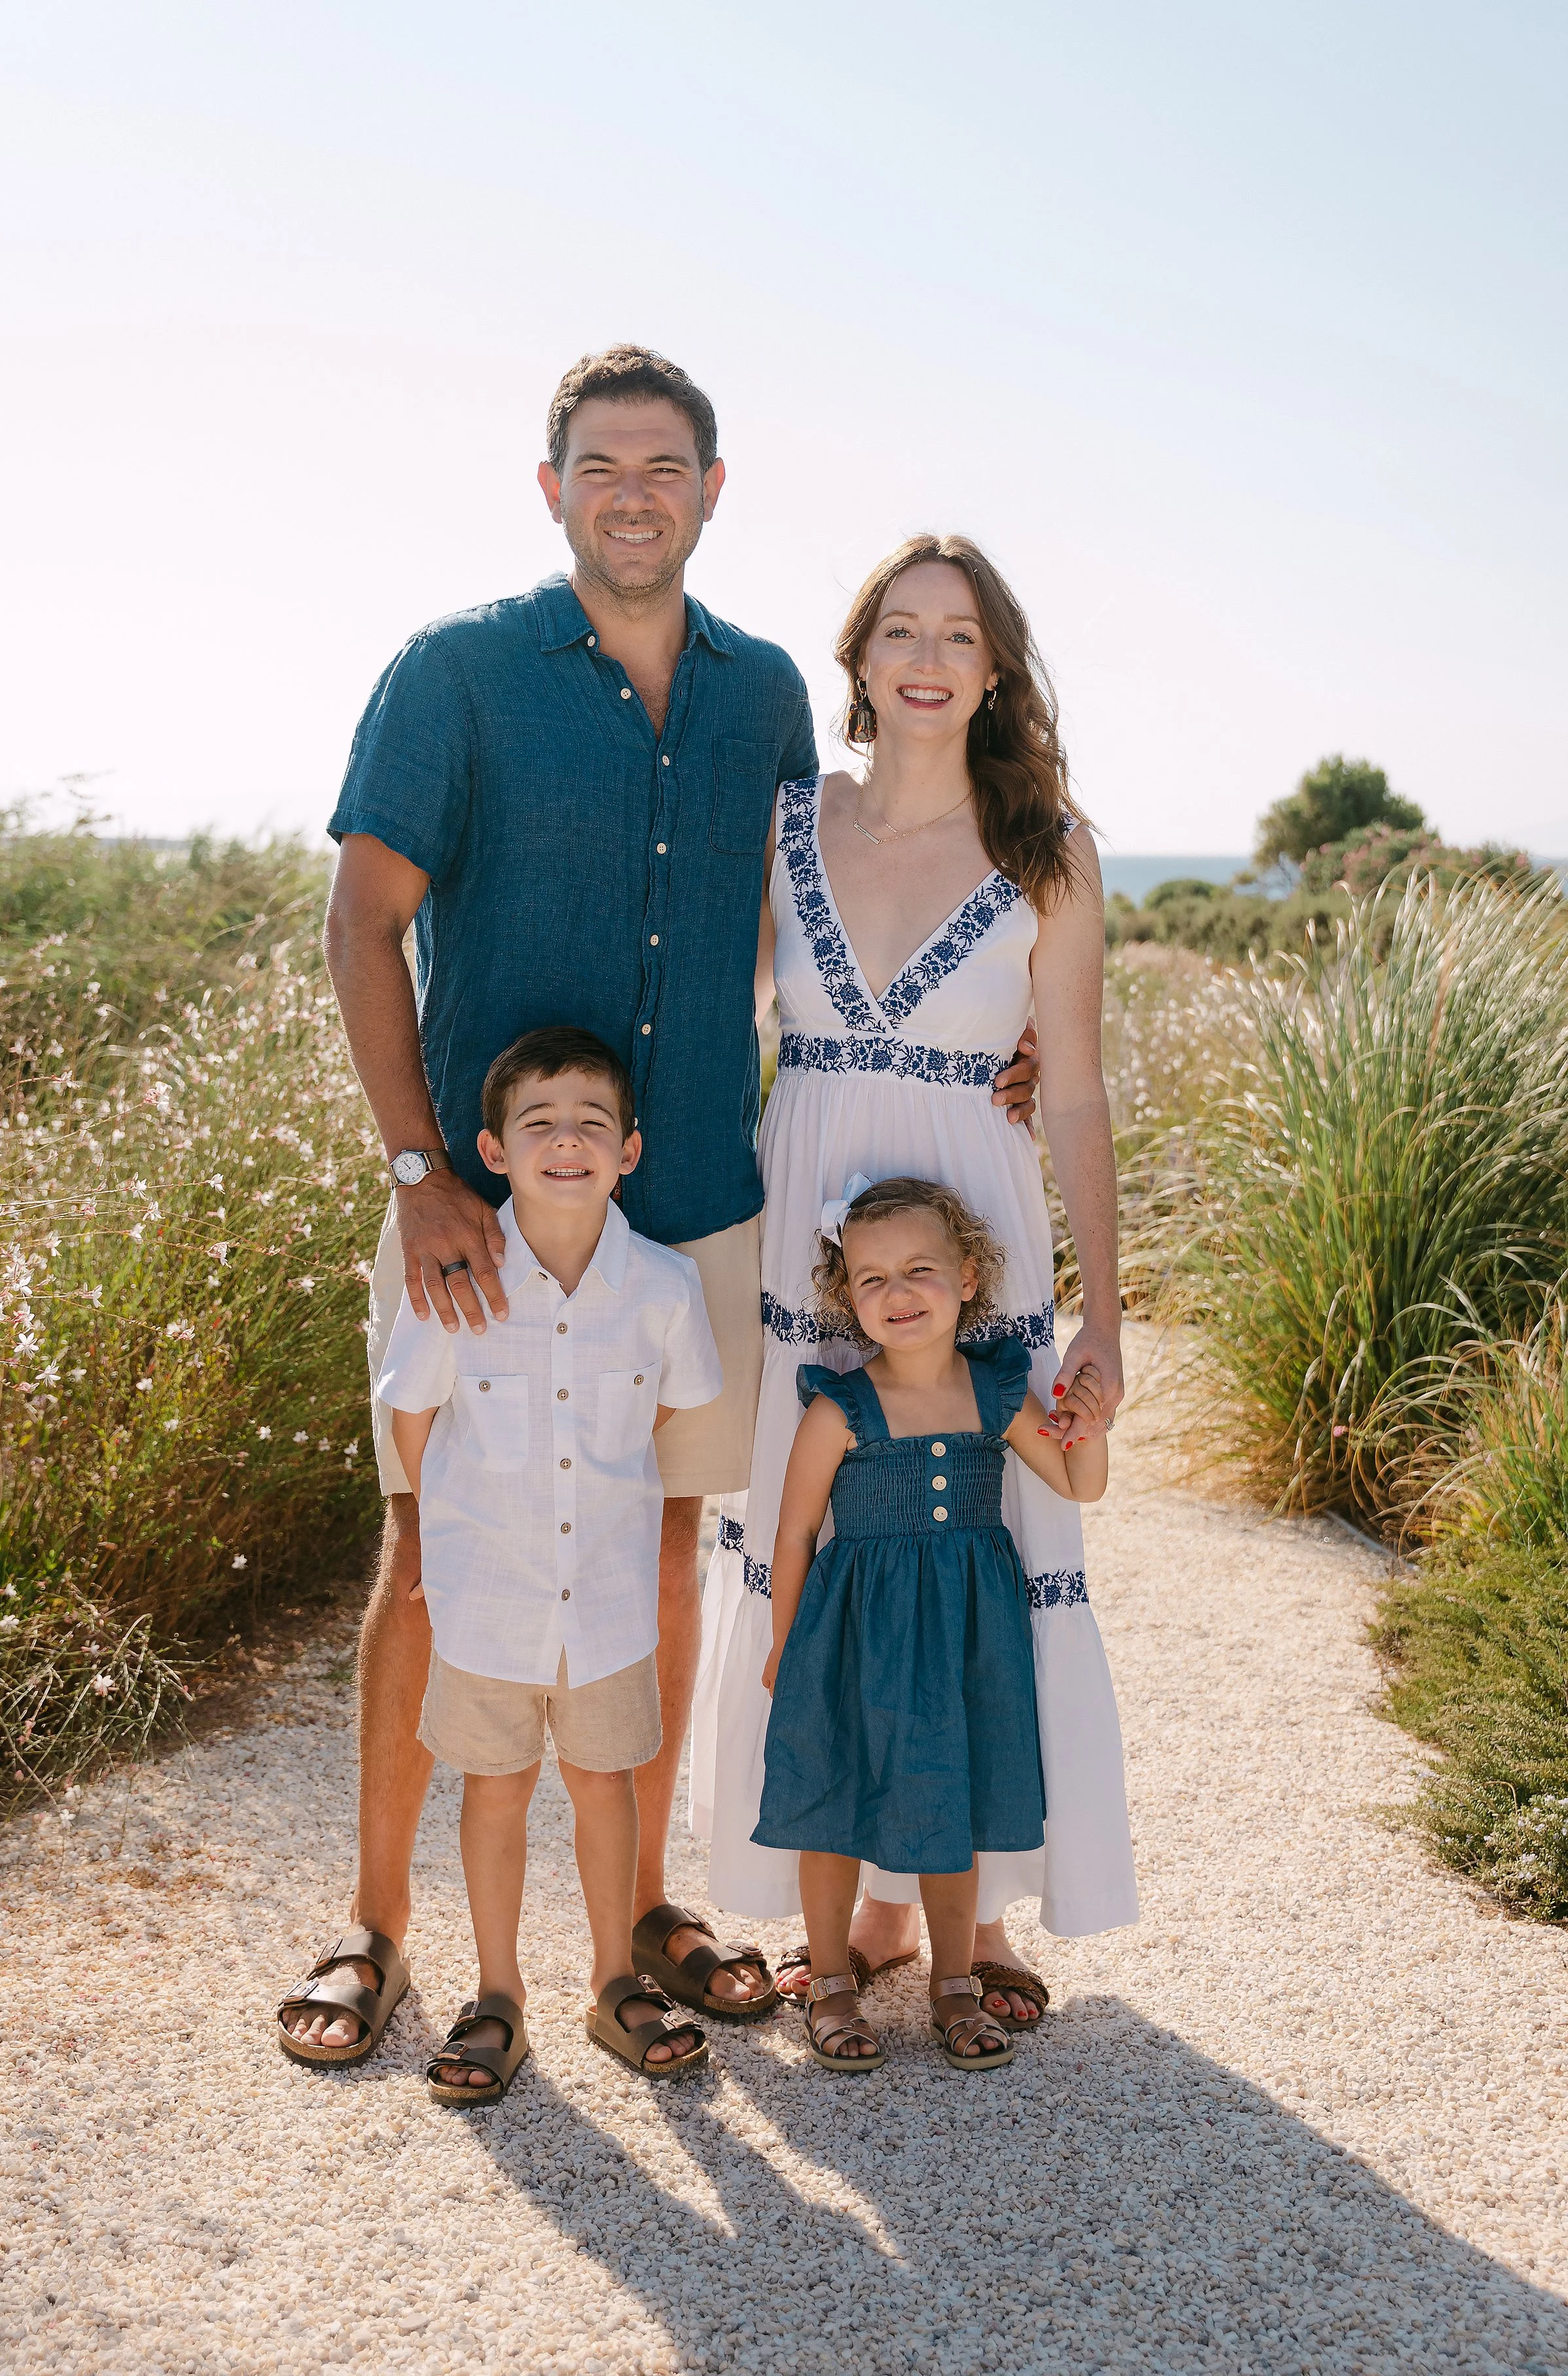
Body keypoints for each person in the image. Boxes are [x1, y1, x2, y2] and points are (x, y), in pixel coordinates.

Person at [277, 340, 1050, 2060]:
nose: (634, 491)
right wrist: (416, 1168)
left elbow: (839, 903)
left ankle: (639, 1920)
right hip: (476, 1212)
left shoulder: (766, 693)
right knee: (423, 1552)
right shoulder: (457, 673)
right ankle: (377, 1923)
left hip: (702, 1193)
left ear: (713, 490)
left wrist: (989, 1045)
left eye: (666, 465)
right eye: (600, 464)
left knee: (666, 1549)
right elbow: (360, 918)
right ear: (550, 488)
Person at [691, 533, 1140, 2024]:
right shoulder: (786, 820)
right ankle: (859, 1909)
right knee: (821, 1533)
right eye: (901, 629)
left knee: (985, 1546)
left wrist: (1103, 1310)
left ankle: (981, 1907)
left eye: (959, 634)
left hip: (975, 1229)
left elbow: (1067, 1089)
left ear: (994, 666)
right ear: (861, 659)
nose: (929, 657)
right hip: (806, 1216)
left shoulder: (1048, 849)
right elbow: (706, 1013)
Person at [372, 1028, 725, 2099]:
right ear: (492, 1146)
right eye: (540, 1122)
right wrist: (450, 1532)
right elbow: (415, 1412)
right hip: (490, 1601)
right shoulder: (454, 1280)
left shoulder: (661, 1286)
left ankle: (615, 1979)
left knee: (603, 1783)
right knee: (496, 1787)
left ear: (629, 1150)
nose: (566, 1139)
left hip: (608, 1602)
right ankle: (497, 1994)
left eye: (591, 1123)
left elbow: (665, 1408)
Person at [756, 1177, 1108, 2072]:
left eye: (919, 1269)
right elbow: (794, 1532)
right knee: (833, 1802)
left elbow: (1077, 1483)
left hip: (964, 1639)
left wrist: (1090, 1423)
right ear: (847, 1297)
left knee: (954, 1798)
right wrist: (786, 1646)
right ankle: (832, 1978)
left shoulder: (994, 1394)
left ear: (968, 1275)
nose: (896, 1293)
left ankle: (954, 1980)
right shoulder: (838, 1407)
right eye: (870, 1279)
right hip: (851, 1639)